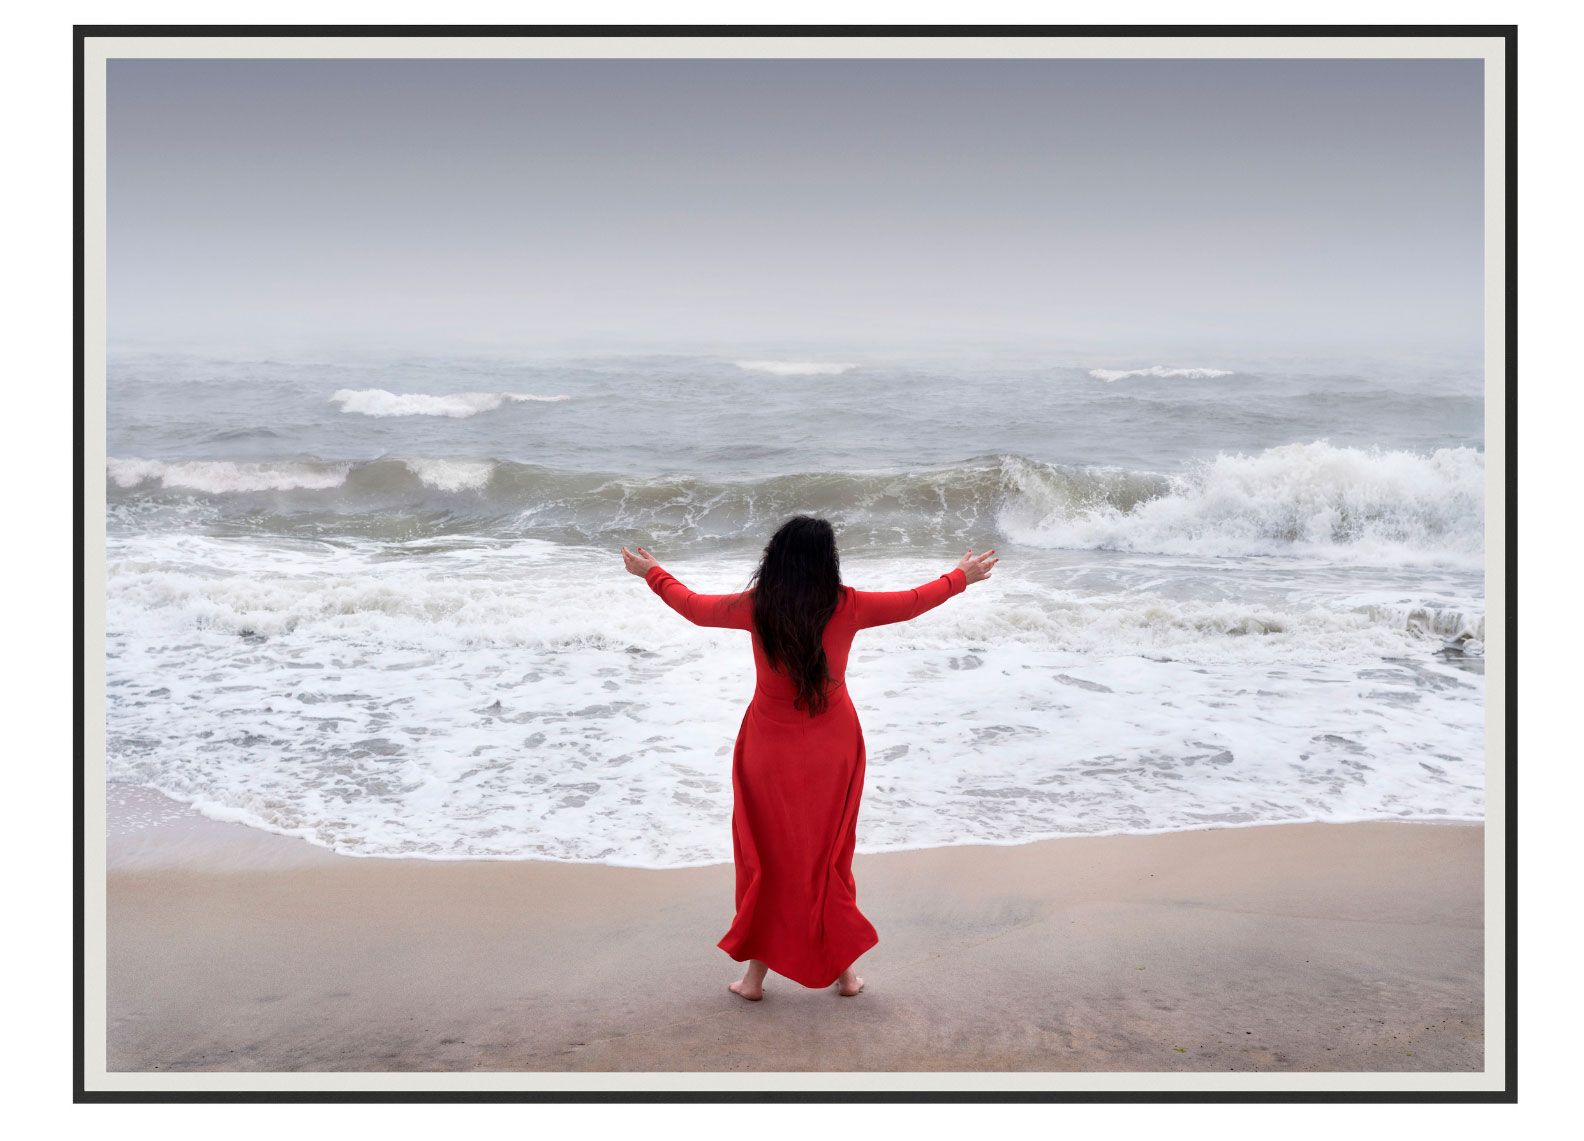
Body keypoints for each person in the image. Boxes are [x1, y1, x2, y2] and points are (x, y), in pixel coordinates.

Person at [620, 516, 997, 1001]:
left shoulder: (757, 607)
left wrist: (652, 572)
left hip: (768, 751)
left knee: (768, 860)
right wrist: (960, 578)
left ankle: (755, 980)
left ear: (775, 558)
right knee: (827, 860)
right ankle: (845, 976)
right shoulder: (849, 604)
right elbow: (912, 603)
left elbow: (692, 608)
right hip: (833, 748)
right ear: (827, 561)